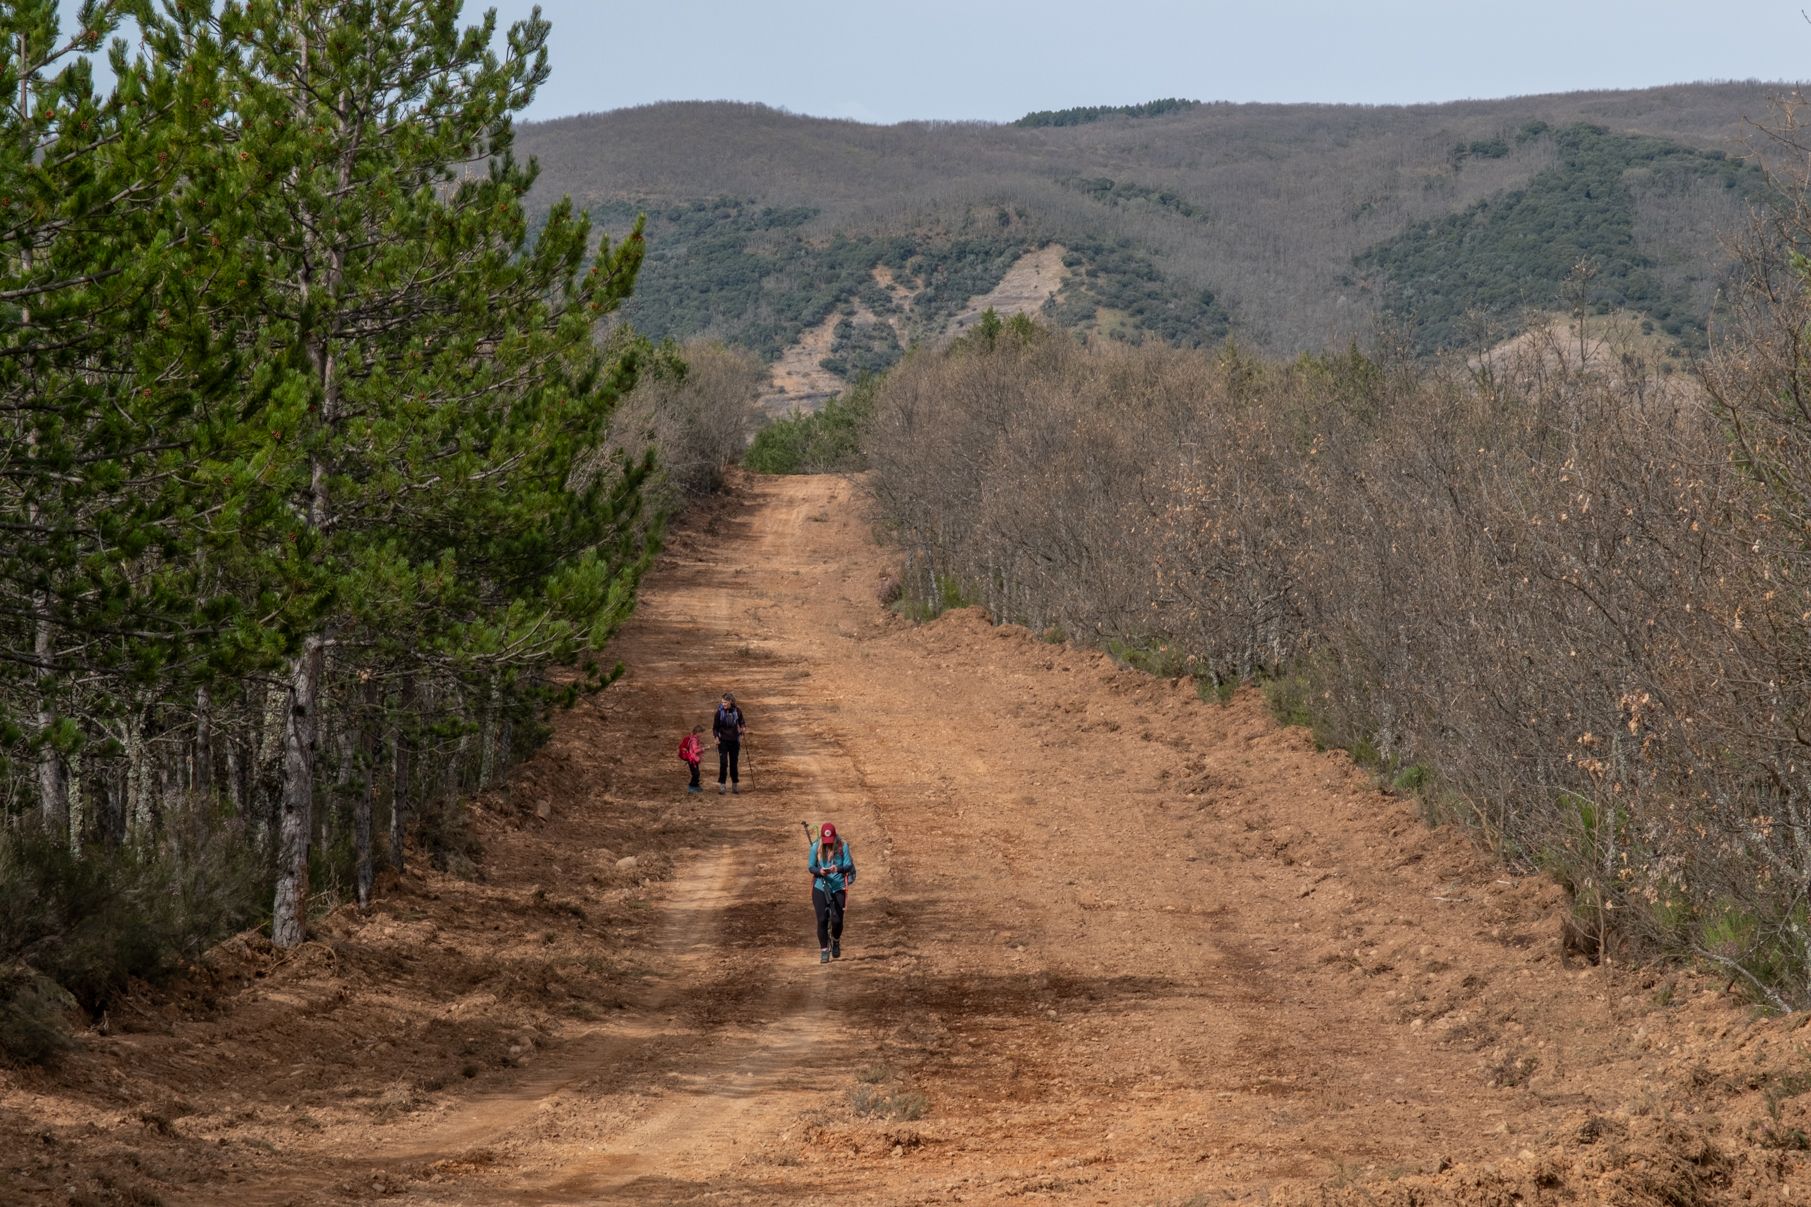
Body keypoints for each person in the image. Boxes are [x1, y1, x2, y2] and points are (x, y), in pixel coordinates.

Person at [809, 821, 855, 963]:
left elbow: (848, 866)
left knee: (837, 920)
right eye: (826, 841)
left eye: (831, 841)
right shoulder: (815, 847)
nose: (828, 844)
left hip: (838, 886)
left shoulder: (843, 846)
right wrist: (819, 871)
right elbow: (811, 867)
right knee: (822, 919)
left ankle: (835, 940)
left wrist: (837, 869)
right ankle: (824, 950)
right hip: (820, 887)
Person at [713, 692, 746, 794]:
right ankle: (722, 785)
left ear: (731, 701)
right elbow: (715, 728)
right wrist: (716, 737)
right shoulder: (719, 712)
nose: (723, 704)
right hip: (723, 741)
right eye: (722, 702)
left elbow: (742, 722)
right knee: (723, 763)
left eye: (725, 702)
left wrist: (743, 728)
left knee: (734, 764)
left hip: (734, 741)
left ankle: (734, 784)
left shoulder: (737, 711)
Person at [679, 723, 704, 793]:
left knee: (697, 773)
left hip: (694, 760)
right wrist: (703, 749)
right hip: (692, 760)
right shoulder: (694, 740)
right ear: (698, 732)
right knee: (696, 774)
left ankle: (696, 786)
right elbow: (695, 750)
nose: (702, 735)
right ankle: (691, 786)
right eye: (701, 733)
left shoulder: (695, 739)